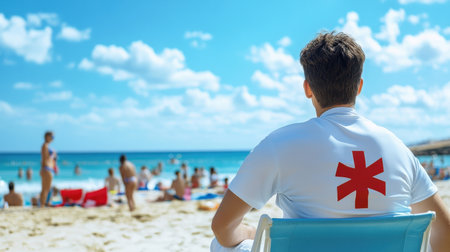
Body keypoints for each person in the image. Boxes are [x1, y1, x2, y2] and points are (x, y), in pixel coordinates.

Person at [211, 32, 450, 252]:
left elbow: (223, 228)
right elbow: (445, 231)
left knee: (219, 246)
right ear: (359, 87)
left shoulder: (279, 144)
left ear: (307, 88)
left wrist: (249, 232)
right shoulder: (398, 149)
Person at [40, 131, 56, 207]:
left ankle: (45, 203)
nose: (53, 138)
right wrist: (53, 155)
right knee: (46, 188)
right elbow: (45, 158)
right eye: (52, 136)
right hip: (47, 168)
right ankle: (42, 204)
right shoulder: (45, 146)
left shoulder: (47, 146)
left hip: (48, 168)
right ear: (47, 136)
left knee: (47, 188)